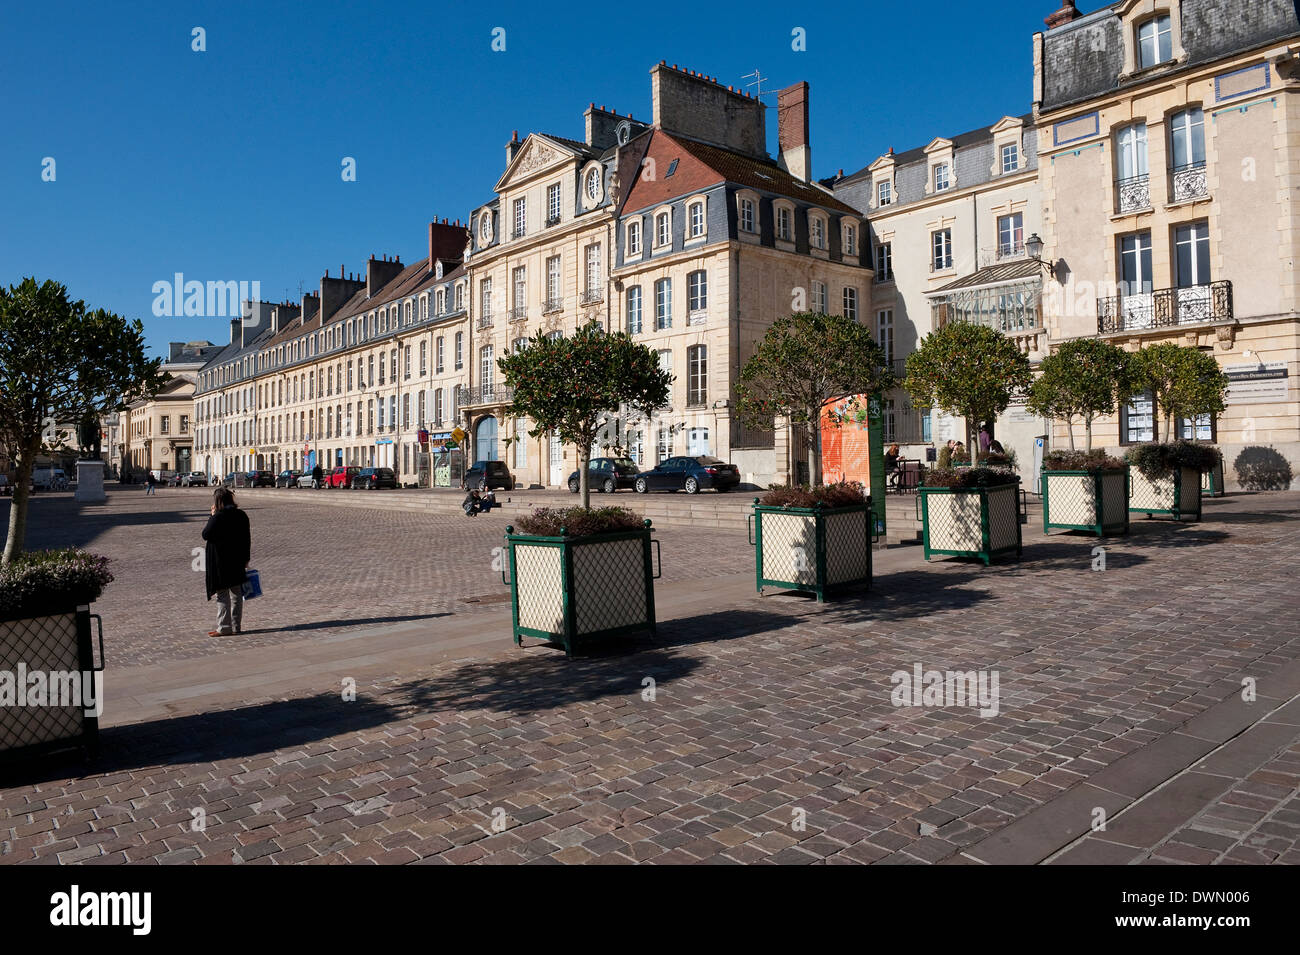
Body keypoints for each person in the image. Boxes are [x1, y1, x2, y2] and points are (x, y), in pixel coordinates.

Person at [201, 487, 251, 637]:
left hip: (220, 562)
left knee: (222, 594)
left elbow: (206, 534)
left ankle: (224, 627)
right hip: (237, 560)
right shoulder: (241, 515)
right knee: (236, 594)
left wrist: (212, 516)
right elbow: (247, 538)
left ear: (218, 501)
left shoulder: (218, 517)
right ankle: (236, 626)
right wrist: (246, 559)